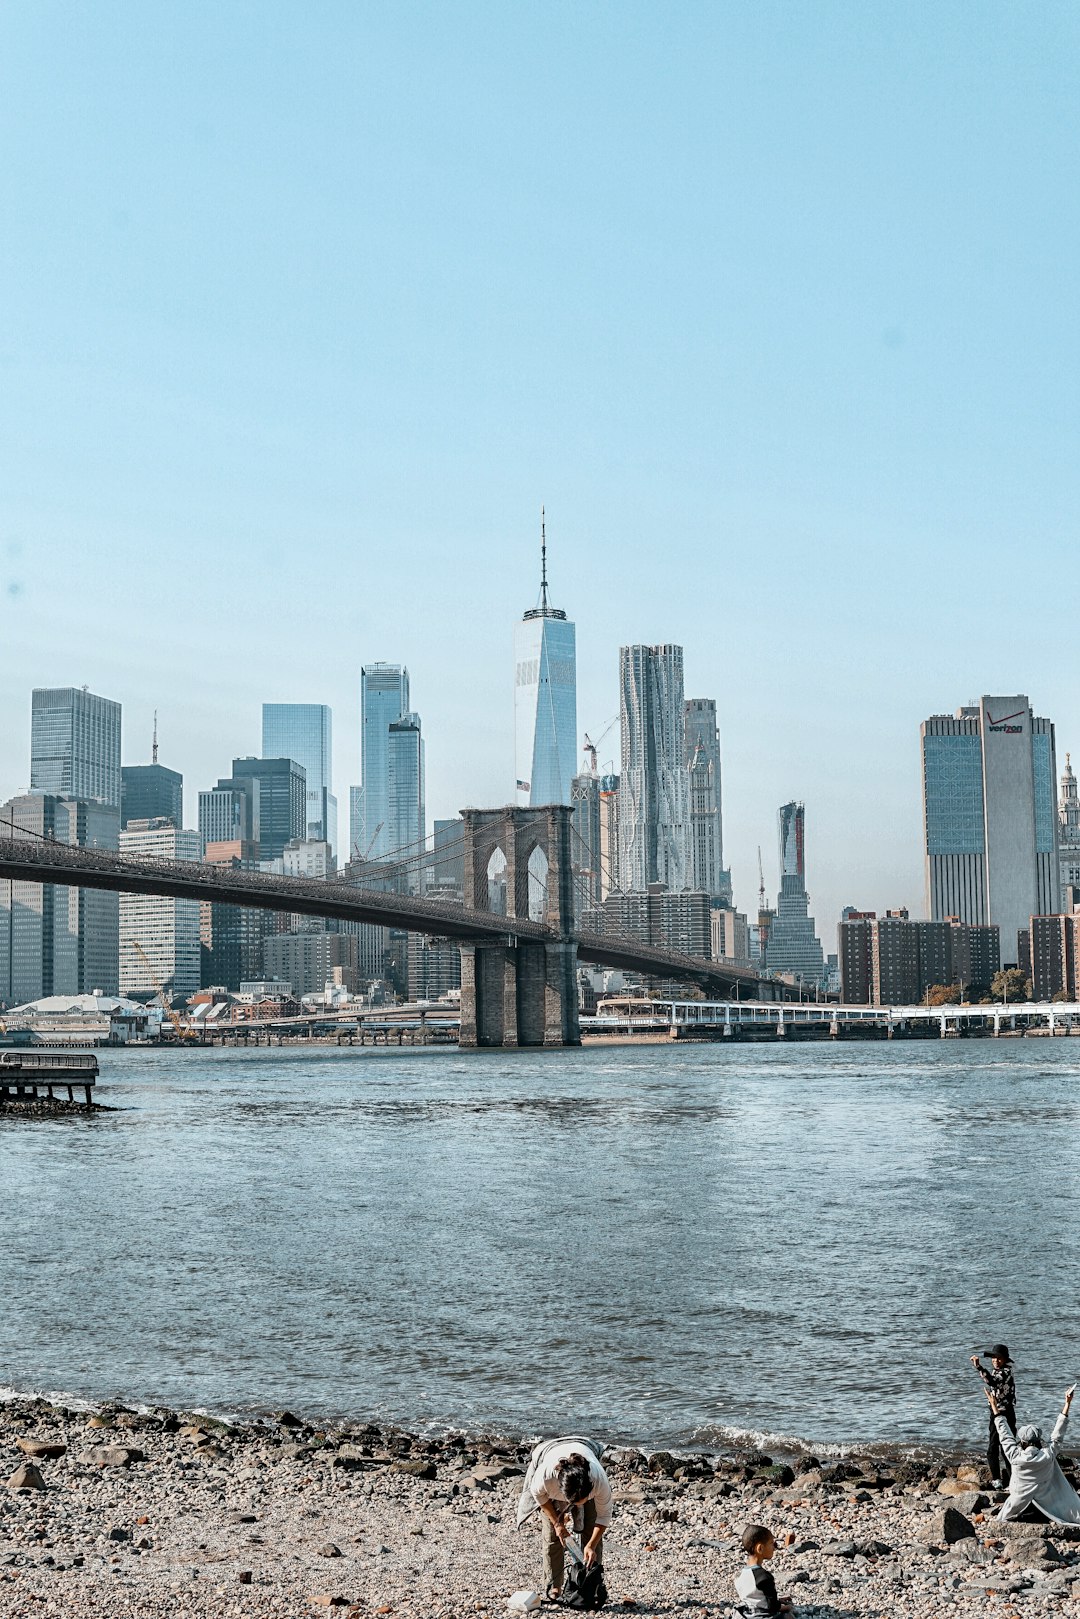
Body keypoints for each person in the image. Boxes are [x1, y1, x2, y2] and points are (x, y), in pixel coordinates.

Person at [515, 1435, 613, 1599]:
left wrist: (591, 1545)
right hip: (550, 1451)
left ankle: (591, 1584)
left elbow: (603, 1517)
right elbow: (539, 1497)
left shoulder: (598, 1481)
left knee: (591, 1532)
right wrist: (558, 1524)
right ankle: (554, 1587)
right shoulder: (546, 1478)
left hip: (584, 1450)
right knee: (552, 1535)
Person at [986, 1384, 1080, 1524]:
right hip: (1047, 1506)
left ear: (1022, 1442)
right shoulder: (1047, 1455)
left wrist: (995, 1407)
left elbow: (1004, 1432)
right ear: (1038, 1441)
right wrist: (1067, 1403)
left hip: (1019, 1506)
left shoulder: (1015, 1455)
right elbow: (1058, 1434)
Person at [971, 1343, 1017, 1488]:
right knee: (1001, 1446)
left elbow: (992, 1381)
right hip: (1001, 1412)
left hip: (1003, 1413)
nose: (996, 1361)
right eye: (994, 1358)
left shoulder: (1005, 1372)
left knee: (1000, 1447)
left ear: (1005, 1360)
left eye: (999, 1358)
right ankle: (1005, 1479)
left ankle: (1004, 1480)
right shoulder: (1001, 1371)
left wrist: (978, 1367)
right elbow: (992, 1380)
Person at [734, 1524, 793, 1617]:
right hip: (762, 1615)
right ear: (760, 1548)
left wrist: (779, 1600)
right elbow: (772, 1606)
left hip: (746, 1614)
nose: (774, 1548)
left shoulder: (740, 1575)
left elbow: (756, 1597)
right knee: (788, 1616)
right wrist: (787, 1607)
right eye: (771, 1543)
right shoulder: (764, 1577)